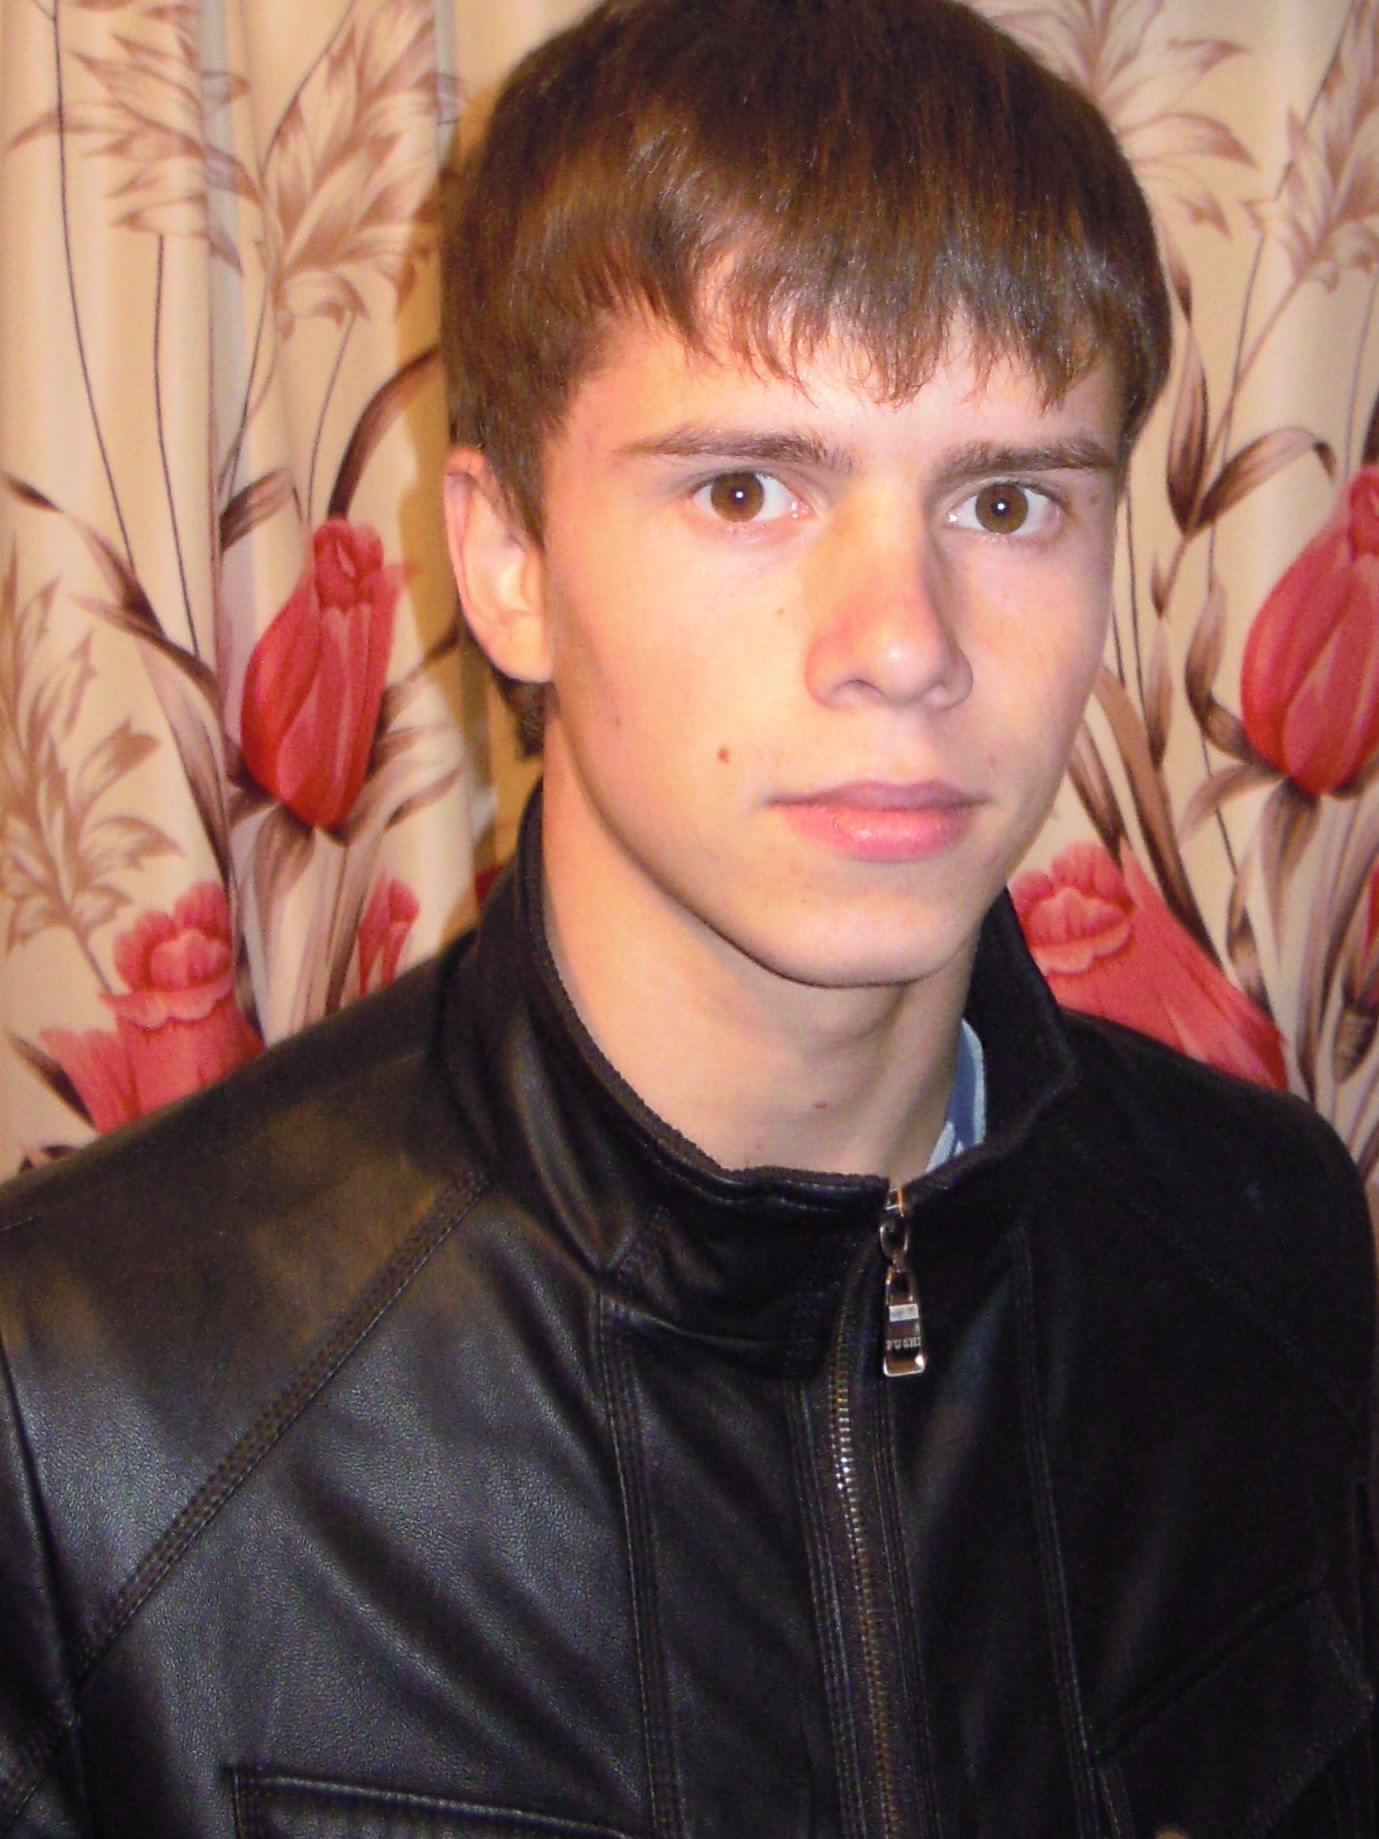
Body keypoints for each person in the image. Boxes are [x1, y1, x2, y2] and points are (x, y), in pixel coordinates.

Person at [0, 0, 1374, 1831]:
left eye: (1007, 499)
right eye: (746, 488)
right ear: (506, 559)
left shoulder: (1271, 1249)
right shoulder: (81, 1408)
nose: (904, 644)